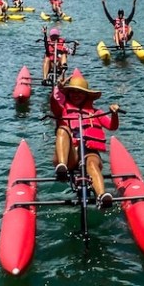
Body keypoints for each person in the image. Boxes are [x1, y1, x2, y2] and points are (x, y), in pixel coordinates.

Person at [51, 75, 120, 209]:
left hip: (89, 152)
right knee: (62, 129)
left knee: (92, 163)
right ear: (68, 94)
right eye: (73, 92)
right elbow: (53, 105)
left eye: (80, 92)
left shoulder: (95, 112)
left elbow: (112, 126)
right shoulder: (63, 110)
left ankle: (101, 196)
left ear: (86, 95)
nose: (76, 95)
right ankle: (62, 168)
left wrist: (114, 114)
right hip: (70, 155)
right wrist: (57, 89)